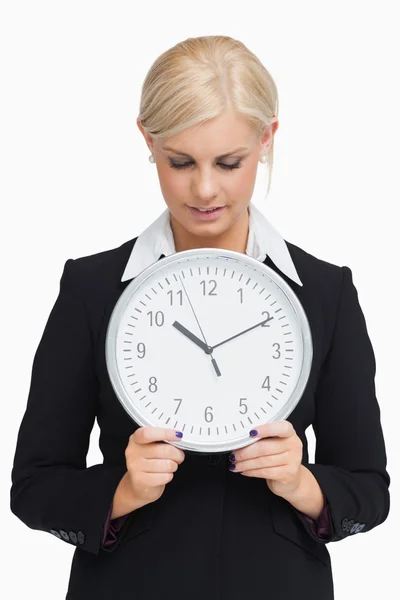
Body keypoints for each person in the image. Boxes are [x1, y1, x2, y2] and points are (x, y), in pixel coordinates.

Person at [10, 35, 390, 600]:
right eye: (180, 161)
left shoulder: (326, 293)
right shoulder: (91, 290)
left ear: (267, 139)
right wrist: (121, 492)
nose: (205, 188)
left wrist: (301, 483)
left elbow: (369, 489)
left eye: (230, 162)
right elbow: (34, 486)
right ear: (147, 139)